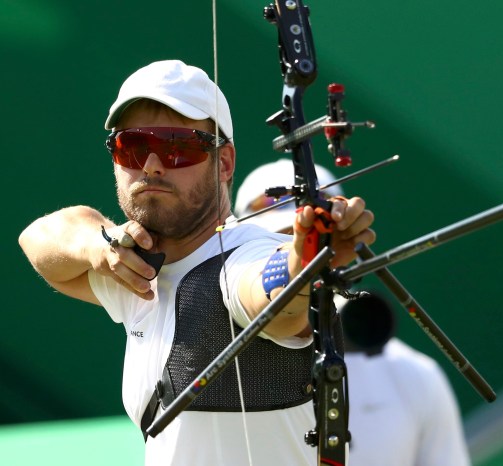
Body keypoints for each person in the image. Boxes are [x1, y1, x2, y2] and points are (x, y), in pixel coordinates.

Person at [18, 60, 375, 466]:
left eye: (176, 147)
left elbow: (270, 296)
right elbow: (37, 239)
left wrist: (305, 259)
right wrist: (98, 248)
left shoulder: (242, 256)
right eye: (132, 146)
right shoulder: (134, 267)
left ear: (223, 163)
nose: (151, 165)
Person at [235, 161, 471, 466]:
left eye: (318, 248)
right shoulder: (210, 370)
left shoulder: (414, 377)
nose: (303, 269)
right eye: (284, 252)